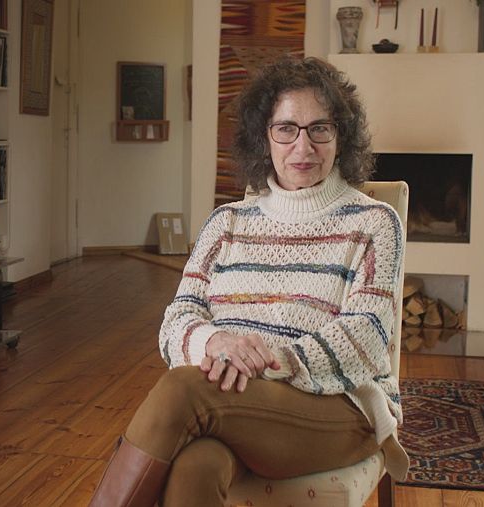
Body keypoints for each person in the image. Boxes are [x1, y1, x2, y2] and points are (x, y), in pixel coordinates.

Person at [88, 56, 409, 507]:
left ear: (341, 136)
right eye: (286, 129)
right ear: (264, 137)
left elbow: (368, 337)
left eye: (320, 128)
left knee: (182, 390)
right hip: (236, 399)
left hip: (338, 407)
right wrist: (215, 342)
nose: (304, 146)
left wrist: (270, 360)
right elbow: (177, 320)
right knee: (194, 468)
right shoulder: (226, 222)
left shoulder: (375, 222)